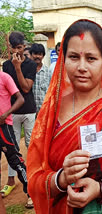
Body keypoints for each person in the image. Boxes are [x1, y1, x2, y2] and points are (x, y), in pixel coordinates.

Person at [26, 19, 102, 213]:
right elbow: (35, 177)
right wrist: (61, 178)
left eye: (91, 58)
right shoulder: (50, 114)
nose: (82, 67)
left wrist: (100, 189)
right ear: (63, 60)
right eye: (74, 57)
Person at [2, 32, 37, 203]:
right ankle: (10, 181)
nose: (17, 51)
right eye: (14, 48)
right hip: (12, 113)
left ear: (24, 46)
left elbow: (25, 89)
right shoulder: (6, 66)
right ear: (10, 48)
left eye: (20, 47)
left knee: (30, 147)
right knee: (12, 149)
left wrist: (18, 67)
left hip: (29, 110)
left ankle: (32, 184)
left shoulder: (30, 64)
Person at [0, 70, 31, 208]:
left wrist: (5, 114)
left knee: (16, 161)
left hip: (4, 127)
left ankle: (31, 193)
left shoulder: (4, 77)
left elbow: (21, 99)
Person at [30, 43, 51, 114]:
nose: (37, 56)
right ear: (31, 54)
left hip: (44, 111)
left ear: (43, 56)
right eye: (35, 54)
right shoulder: (26, 71)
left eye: (40, 54)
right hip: (31, 112)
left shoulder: (48, 72)